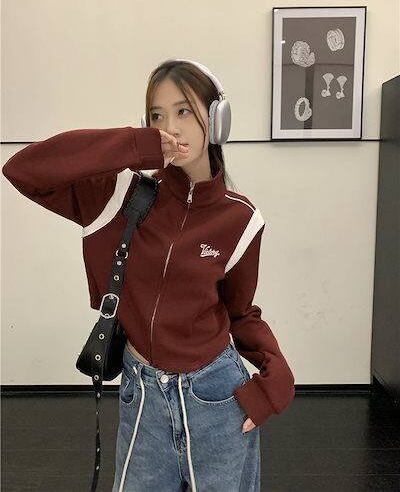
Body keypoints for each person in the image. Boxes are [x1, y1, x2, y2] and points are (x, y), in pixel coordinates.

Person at [2, 59, 295, 491]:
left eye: (184, 111)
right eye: (157, 116)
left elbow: (241, 312)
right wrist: (133, 146)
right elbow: (24, 169)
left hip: (216, 395)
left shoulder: (242, 219)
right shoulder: (119, 196)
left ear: (217, 119)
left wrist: (275, 379)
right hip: (143, 399)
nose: (171, 128)